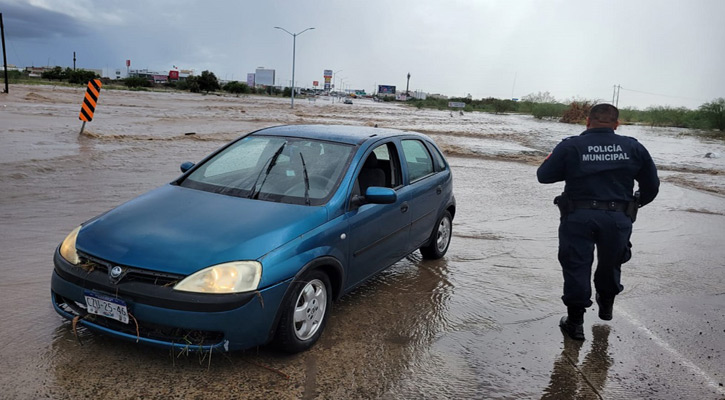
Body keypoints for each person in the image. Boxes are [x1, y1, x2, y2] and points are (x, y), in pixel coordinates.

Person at [537, 103, 660, 340]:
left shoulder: (571, 145)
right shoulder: (633, 147)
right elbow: (651, 185)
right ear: (616, 124)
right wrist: (635, 204)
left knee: (576, 265)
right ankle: (606, 306)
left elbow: (544, 176)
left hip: (578, 216)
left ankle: (575, 323)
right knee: (611, 262)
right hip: (617, 217)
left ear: (587, 121)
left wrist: (574, 167)